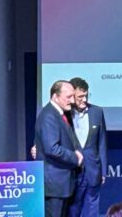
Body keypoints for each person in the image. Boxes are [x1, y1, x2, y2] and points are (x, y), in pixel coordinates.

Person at [35, 80, 84, 217]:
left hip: (60, 184)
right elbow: (52, 149)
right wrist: (75, 157)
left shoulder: (58, 114)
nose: (72, 101)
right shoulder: (49, 116)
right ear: (55, 96)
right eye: (68, 97)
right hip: (54, 184)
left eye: (73, 96)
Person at [67, 77, 108, 217]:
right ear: (72, 95)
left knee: (92, 211)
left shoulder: (97, 112)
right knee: (73, 210)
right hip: (73, 171)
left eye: (86, 95)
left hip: (93, 170)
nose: (84, 100)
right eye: (80, 97)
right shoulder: (64, 114)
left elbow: (102, 142)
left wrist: (103, 171)